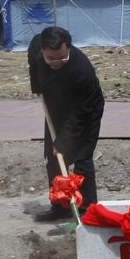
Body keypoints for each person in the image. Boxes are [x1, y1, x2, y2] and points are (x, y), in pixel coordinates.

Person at [27, 26, 105, 221]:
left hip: (86, 110)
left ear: (69, 48)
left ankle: (87, 210)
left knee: (82, 158)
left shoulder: (82, 70)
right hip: (55, 104)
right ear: (43, 51)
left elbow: (80, 114)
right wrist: (36, 86)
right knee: (53, 156)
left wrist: (64, 141)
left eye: (61, 58)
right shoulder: (37, 46)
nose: (56, 62)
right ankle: (60, 206)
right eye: (50, 59)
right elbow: (33, 63)